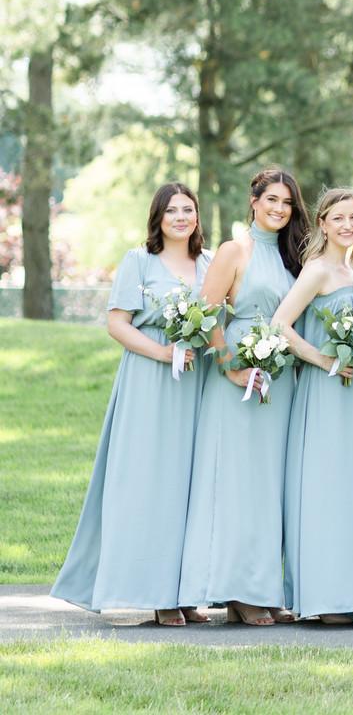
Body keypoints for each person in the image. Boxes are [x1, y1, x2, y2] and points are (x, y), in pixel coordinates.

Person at [53, 183, 213, 625]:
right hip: (150, 381)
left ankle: (184, 594)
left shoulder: (210, 262)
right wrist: (164, 353)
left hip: (198, 384)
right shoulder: (138, 262)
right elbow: (116, 324)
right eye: (172, 210)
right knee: (153, 483)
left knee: (190, 486)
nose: (181, 217)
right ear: (158, 218)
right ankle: (158, 594)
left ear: (197, 217)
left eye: (188, 209)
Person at [177, 168, 309, 625]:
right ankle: (237, 592)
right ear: (254, 201)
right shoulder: (236, 251)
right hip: (238, 379)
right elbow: (205, 314)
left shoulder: (295, 257)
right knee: (238, 483)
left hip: (282, 379)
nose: (279, 208)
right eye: (271, 199)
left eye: (287, 203)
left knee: (270, 485)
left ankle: (265, 587)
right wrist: (231, 368)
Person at [276, 187, 353, 624]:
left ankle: (348, 589)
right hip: (324, 391)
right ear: (322, 223)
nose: (347, 226)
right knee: (324, 488)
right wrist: (324, 361)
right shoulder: (316, 270)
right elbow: (279, 325)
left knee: (351, 490)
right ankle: (322, 595)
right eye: (338, 218)